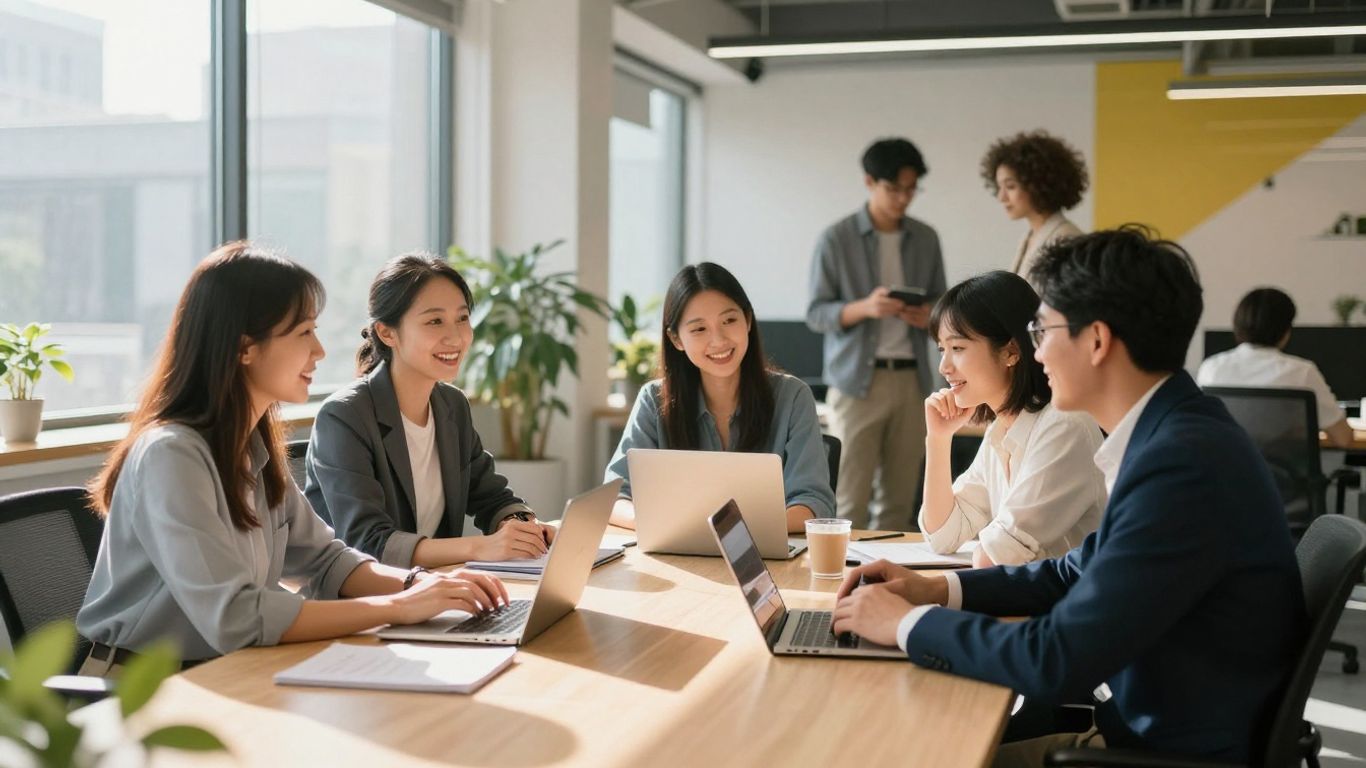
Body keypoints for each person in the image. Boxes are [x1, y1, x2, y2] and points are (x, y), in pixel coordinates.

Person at [831, 227, 1303, 764]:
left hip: (1152, 751)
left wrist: (902, 624)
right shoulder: (1176, 433)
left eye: (1041, 329)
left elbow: (1054, 657)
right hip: (1142, 729)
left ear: (1097, 341)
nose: (1035, 349)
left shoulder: (1181, 464)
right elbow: (1069, 572)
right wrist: (933, 589)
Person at [78, 243, 508, 671]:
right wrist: (399, 606)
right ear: (245, 348)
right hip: (139, 691)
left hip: (227, 669)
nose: (320, 351)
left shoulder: (251, 449)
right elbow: (236, 617)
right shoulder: (171, 456)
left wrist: (425, 584)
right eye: (304, 332)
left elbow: (326, 560)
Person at [306, 254, 556, 569]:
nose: (456, 337)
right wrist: (483, 547)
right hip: (362, 604)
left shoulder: (452, 406)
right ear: (387, 333)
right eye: (435, 321)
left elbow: (494, 498)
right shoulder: (344, 416)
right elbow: (369, 542)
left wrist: (523, 526)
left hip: (437, 592)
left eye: (462, 318)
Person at [605, 262, 834, 533]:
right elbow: (615, 497)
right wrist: (668, 527)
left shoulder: (793, 397)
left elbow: (814, 504)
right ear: (676, 339)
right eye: (699, 329)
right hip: (675, 558)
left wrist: (728, 532)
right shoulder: (653, 400)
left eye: (729, 321)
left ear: (748, 320)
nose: (719, 340)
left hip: (770, 560)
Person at [806, 137, 947, 530]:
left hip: (913, 380)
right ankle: (840, 588)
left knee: (900, 503)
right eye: (894, 189)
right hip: (856, 385)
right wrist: (866, 307)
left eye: (910, 189)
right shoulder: (837, 238)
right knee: (849, 500)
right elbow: (816, 313)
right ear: (869, 182)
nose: (903, 198)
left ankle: (891, 586)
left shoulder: (926, 237)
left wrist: (929, 316)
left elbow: (943, 304)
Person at [919, 271, 1105, 567]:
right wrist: (939, 440)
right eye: (942, 349)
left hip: (1064, 608)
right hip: (1026, 602)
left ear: (1011, 351)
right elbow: (943, 536)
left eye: (957, 348)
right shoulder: (1001, 430)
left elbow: (996, 556)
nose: (944, 366)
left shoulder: (1064, 425)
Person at [1197, 286, 1353, 449]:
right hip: (1282, 474)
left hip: (1224, 472)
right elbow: (1343, 438)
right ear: (1286, 330)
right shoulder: (1302, 372)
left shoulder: (1211, 368)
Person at [980, 130, 1088, 278]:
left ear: (1037, 185)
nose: (1001, 197)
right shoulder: (1029, 237)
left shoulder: (1067, 241)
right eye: (999, 187)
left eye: (1010, 186)